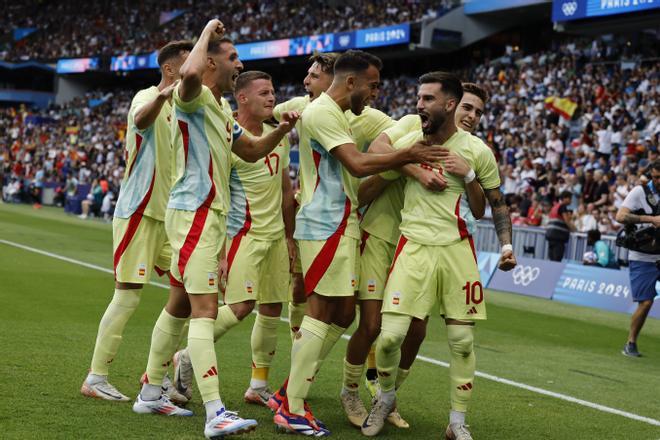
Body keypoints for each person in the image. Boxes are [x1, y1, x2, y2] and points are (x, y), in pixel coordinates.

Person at [134, 20, 299, 438]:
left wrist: (281, 129)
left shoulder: (221, 108)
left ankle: (151, 393)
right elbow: (188, 74)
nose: (239, 63)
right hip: (196, 214)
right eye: (232, 58)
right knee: (206, 313)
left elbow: (251, 149)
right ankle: (215, 412)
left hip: (203, 216)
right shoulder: (195, 97)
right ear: (210, 62)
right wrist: (207, 29)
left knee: (179, 305)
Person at [272, 50, 446, 437]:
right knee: (320, 314)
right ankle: (291, 407)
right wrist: (410, 155)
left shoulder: (339, 114)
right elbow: (357, 164)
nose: (374, 93)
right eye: (372, 86)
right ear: (351, 82)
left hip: (339, 221)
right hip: (325, 223)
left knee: (342, 313)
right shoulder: (322, 113)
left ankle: (289, 396)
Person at [343, 82, 504, 430]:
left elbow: (484, 207)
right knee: (376, 329)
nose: (472, 116)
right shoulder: (413, 128)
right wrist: (413, 164)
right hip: (397, 238)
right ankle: (353, 390)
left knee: (440, 337)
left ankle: (402, 403)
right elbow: (379, 150)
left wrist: (470, 175)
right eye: (467, 108)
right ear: (452, 105)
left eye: (477, 111)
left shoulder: (475, 151)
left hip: (453, 250)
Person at [171, 70, 296, 408]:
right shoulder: (229, 140)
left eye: (273, 92)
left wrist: (290, 237)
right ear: (242, 98)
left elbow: (286, 190)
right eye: (264, 93)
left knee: (271, 309)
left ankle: (258, 385)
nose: (272, 98)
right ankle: (186, 355)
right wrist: (222, 251)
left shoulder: (278, 135)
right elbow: (221, 195)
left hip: (275, 239)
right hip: (243, 235)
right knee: (240, 307)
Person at [80, 40, 194, 407]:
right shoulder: (145, 96)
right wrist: (162, 96)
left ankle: (162, 373)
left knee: (189, 292)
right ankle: (96, 377)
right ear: (171, 69)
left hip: (171, 215)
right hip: (140, 211)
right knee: (128, 295)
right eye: (188, 62)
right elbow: (142, 120)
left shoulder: (189, 107)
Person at [615, 159, 660, 357]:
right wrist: (650, 219)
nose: (658, 181)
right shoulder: (640, 192)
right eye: (656, 177)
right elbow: (620, 216)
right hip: (643, 255)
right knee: (646, 302)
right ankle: (631, 342)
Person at [545, 190, 575, 261]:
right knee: (557, 258)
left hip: (551, 235)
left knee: (552, 258)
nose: (571, 201)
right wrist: (574, 230)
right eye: (570, 199)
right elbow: (566, 221)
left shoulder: (555, 207)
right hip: (558, 237)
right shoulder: (562, 207)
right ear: (565, 198)